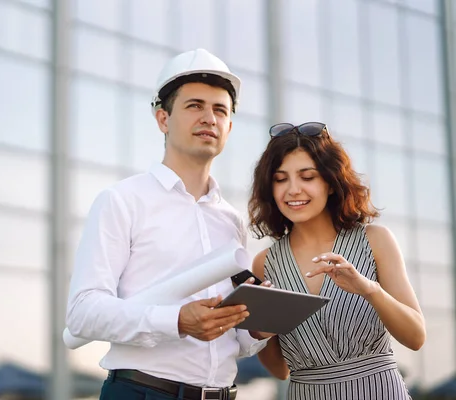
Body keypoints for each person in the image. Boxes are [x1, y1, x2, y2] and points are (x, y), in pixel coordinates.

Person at [66, 48, 270, 400]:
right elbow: (83, 313)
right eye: (194, 106)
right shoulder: (122, 200)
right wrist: (176, 321)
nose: (209, 118)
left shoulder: (231, 220)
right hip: (142, 392)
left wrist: (257, 329)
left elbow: (233, 341)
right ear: (163, 119)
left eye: (219, 110)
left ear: (229, 127)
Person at [247, 122, 426, 399]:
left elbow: (415, 337)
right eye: (280, 179)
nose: (293, 189)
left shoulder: (375, 240)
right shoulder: (265, 263)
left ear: (331, 183)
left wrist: (369, 289)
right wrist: (260, 333)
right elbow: (280, 370)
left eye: (307, 177)